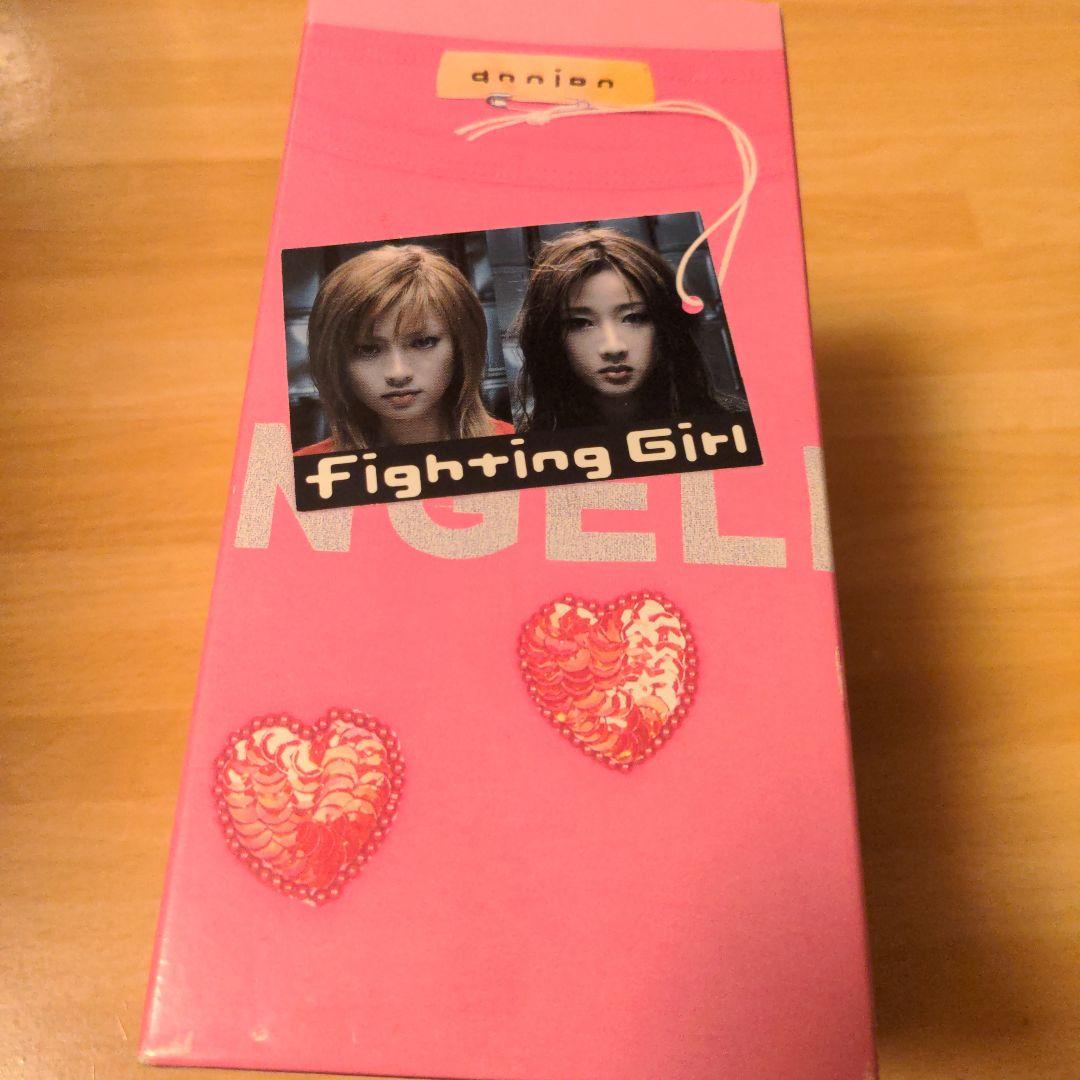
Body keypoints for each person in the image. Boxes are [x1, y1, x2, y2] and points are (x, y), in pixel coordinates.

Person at [513, 228, 743, 431]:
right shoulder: (528, 444)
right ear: (550, 337)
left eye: (635, 317)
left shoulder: (733, 427)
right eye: (580, 323)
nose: (613, 347)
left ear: (666, 325)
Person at [295, 244, 512, 454]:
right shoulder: (305, 469)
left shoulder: (514, 447)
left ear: (461, 347)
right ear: (336, 361)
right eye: (368, 350)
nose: (398, 374)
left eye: (423, 342)